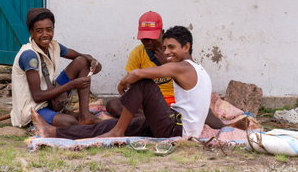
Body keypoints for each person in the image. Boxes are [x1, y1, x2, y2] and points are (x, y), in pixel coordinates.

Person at [31, 26, 219, 139]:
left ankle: (117, 132)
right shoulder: (199, 70)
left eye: (172, 47)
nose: (167, 52)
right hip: (171, 123)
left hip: (177, 130)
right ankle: (52, 132)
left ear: (186, 47)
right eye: (165, 47)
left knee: (144, 83)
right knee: (109, 125)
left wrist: (122, 84)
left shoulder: (183, 67)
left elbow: (138, 74)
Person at [11, 8, 102, 128]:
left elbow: (81, 57)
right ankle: (68, 116)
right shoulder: (29, 55)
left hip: (49, 98)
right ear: (31, 33)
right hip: (34, 108)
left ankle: (85, 115)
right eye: (39, 31)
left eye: (49, 29)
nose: (45, 34)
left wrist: (92, 60)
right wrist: (72, 85)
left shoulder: (53, 46)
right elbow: (37, 96)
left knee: (82, 61)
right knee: (70, 122)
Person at [105, 11, 174, 117]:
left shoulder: (173, 51)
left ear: (162, 33)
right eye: (145, 38)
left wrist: (167, 64)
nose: (149, 42)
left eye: (152, 37)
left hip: (173, 102)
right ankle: (151, 119)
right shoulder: (137, 53)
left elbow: (187, 81)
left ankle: (148, 120)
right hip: (148, 103)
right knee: (113, 105)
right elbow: (131, 86)